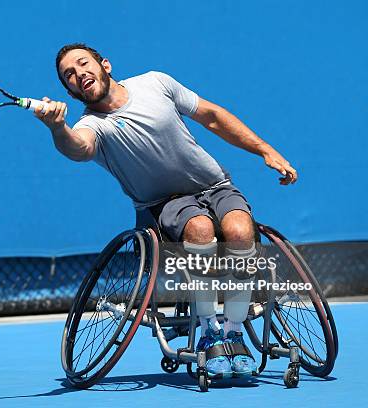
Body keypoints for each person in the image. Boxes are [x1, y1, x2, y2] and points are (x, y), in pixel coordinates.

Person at [34, 43, 297, 379]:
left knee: (242, 231)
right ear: (70, 91)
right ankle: (211, 335)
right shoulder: (93, 125)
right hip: (163, 205)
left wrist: (265, 151)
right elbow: (79, 148)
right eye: (68, 75)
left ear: (105, 65)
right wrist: (57, 127)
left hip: (215, 187)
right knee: (200, 228)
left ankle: (233, 332)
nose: (78, 74)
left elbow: (213, 117)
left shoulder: (155, 83)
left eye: (82, 64)